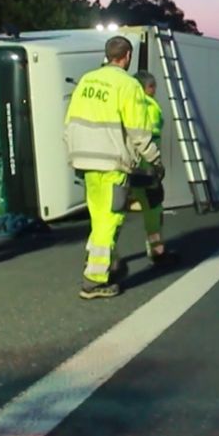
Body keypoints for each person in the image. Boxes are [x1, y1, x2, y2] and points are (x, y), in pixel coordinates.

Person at [64, 36, 161, 299]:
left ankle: (102, 262)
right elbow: (139, 131)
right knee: (111, 218)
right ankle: (94, 280)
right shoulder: (128, 85)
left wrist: (72, 154)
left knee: (98, 216)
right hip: (111, 163)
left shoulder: (87, 80)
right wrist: (155, 159)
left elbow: (70, 120)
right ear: (127, 55)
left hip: (85, 159)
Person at [131, 71, 178, 264]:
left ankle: (107, 259)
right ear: (147, 87)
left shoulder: (128, 104)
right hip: (146, 168)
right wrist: (156, 165)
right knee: (153, 209)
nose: (155, 90)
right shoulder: (149, 106)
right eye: (153, 86)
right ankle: (157, 251)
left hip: (125, 168)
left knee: (112, 216)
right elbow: (147, 140)